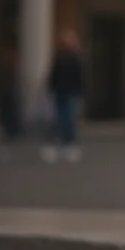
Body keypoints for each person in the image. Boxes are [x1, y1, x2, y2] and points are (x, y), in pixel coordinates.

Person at [42, 31, 84, 163]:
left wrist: (81, 92)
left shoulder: (76, 59)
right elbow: (53, 76)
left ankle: (69, 145)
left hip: (71, 93)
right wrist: (50, 90)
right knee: (57, 118)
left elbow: (81, 78)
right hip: (59, 92)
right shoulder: (59, 58)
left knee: (69, 119)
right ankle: (53, 145)